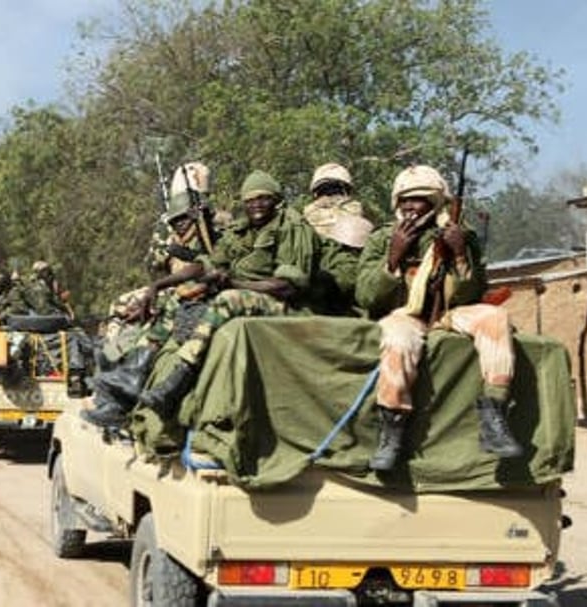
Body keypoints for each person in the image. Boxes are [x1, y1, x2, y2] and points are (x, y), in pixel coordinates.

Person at [355, 164, 523, 471]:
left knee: (496, 318)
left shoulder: (460, 234)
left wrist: (459, 254)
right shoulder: (382, 239)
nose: (409, 206)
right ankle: (391, 435)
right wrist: (393, 258)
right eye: (404, 199)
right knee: (398, 341)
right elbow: (366, 297)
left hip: (451, 311)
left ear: (434, 203)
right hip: (406, 313)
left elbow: (473, 293)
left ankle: (494, 417)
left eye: (418, 199)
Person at [135, 170, 317, 419]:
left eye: (263, 198)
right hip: (247, 296)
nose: (256, 206)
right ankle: (132, 374)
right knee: (178, 302)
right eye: (250, 200)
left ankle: (178, 379)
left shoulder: (291, 227)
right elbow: (206, 263)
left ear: (276, 199)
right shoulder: (242, 230)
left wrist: (234, 284)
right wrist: (159, 286)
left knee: (226, 300)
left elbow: (287, 286)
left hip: (285, 305)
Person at [83, 162, 220, 427]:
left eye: (183, 219)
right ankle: (109, 373)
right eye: (176, 220)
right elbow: (154, 263)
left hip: (199, 293)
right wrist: (168, 242)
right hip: (176, 292)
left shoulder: (214, 224)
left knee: (156, 326)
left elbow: (210, 262)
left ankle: (122, 387)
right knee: (128, 321)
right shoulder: (172, 233)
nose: (179, 224)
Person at [303, 163, 374, 316]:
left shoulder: (356, 210)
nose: (330, 197)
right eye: (325, 191)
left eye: (335, 190)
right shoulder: (306, 216)